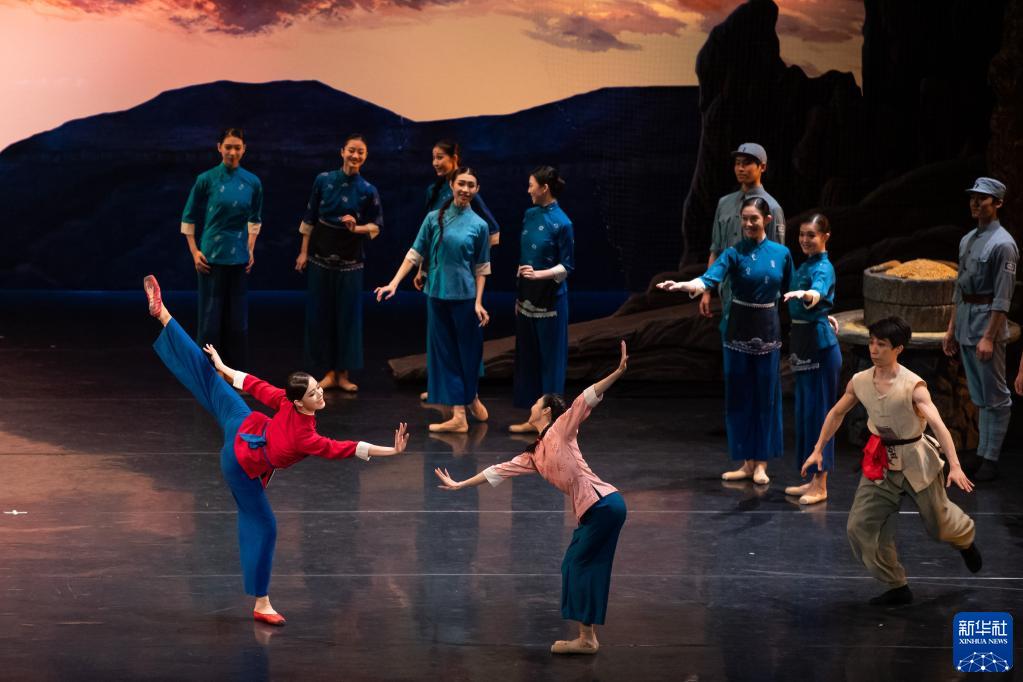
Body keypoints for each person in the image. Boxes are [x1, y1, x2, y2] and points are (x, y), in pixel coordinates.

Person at [142, 274, 409, 626]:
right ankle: (261, 602)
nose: (321, 394)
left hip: (244, 425)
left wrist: (221, 368)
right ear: (299, 402)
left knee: (211, 382)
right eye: (314, 392)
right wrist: (392, 452)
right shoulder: (306, 437)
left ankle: (163, 315)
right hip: (240, 463)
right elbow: (346, 448)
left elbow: (254, 385)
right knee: (264, 526)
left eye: (318, 389)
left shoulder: (286, 401)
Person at [433, 341, 629, 655]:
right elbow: (498, 471)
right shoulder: (534, 455)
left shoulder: (561, 428)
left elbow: (585, 398)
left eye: (537, 403)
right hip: (598, 510)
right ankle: (587, 637)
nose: (532, 405)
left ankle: (586, 639)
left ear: (546, 411)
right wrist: (460, 484)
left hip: (603, 504)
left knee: (579, 565)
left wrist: (617, 373)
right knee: (579, 565)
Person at [805, 316, 981, 605]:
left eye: (882, 345)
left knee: (938, 524)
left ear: (898, 349)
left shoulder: (913, 385)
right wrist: (818, 449)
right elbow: (837, 413)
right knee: (860, 527)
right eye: (872, 343)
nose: (874, 349)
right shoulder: (861, 381)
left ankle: (965, 539)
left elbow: (937, 425)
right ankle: (896, 585)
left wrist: (956, 466)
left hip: (916, 458)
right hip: (881, 460)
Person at [657, 197, 793, 484]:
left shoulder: (781, 254)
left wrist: (818, 316)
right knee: (740, 397)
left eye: (754, 218)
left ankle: (761, 463)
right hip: (737, 330)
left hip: (768, 331)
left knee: (765, 398)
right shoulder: (733, 253)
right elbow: (709, 278)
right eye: (744, 218)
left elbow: (793, 291)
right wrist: (684, 285)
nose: (748, 224)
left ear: (767, 220)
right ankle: (746, 462)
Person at [375, 167, 491, 432]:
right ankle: (459, 415)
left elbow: (482, 267)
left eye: (471, 185)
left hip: (465, 297)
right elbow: (415, 253)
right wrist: (394, 283)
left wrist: (478, 301)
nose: (465, 189)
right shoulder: (433, 218)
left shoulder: (480, 225)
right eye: (461, 183)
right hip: (437, 295)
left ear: (477, 189)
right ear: (452, 185)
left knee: (469, 353)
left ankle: (471, 396)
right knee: (446, 354)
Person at [942, 177, 1018, 482]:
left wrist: (989, 336)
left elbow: (1003, 297)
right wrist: (951, 329)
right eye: (973, 197)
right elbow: (959, 288)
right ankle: (983, 452)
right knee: (980, 394)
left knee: (995, 395)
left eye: (982, 198)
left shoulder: (1004, 244)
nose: (975, 203)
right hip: (967, 320)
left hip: (987, 322)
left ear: (997, 203)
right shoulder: (968, 239)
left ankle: (991, 458)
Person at [295, 133, 383, 393]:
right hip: (320, 256)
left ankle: (342, 374)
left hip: (350, 260)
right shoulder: (323, 180)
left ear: (365, 157)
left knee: (347, 318)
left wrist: (356, 228)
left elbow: (376, 227)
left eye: (361, 152)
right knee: (322, 315)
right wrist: (303, 252)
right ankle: (328, 372)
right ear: (342, 151)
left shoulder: (368, 190)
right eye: (351, 150)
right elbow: (309, 217)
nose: (355, 156)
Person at [415, 140, 501, 403]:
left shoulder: (468, 190)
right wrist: (425, 267)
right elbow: (430, 237)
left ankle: (468, 394)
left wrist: (463, 256)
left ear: (455, 158)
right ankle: (444, 389)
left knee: (464, 340)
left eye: (441, 157)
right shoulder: (435, 190)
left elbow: (492, 232)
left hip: (462, 281)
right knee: (440, 340)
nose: (436, 162)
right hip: (437, 278)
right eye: (433, 157)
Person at [180, 127, 263, 369]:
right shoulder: (206, 179)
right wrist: (194, 251)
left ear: (244, 149)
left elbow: (255, 219)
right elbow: (188, 216)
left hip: (239, 258)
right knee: (210, 318)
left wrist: (250, 248)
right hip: (211, 258)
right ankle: (206, 370)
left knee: (237, 320)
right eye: (228, 147)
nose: (232, 152)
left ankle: (233, 371)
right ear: (219, 148)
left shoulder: (252, 182)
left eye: (237, 147)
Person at [510, 166, 575, 433]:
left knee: (551, 362)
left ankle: (552, 423)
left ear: (544, 188)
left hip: (550, 301)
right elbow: (526, 256)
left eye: (531, 185)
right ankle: (533, 419)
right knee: (528, 359)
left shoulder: (562, 223)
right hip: (527, 297)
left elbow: (567, 267)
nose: (528, 190)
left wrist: (539, 275)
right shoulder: (530, 215)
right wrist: (520, 292)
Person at [782, 214, 840, 505]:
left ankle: (822, 483)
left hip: (820, 349)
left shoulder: (823, 267)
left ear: (825, 237)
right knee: (806, 413)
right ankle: (812, 478)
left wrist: (807, 295)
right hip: (803, 342)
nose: (805, 240)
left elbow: (817, 291)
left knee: (820, 415)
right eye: (802, 235)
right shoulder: (805, 264)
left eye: (811, 235)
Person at [700, 143, 786, 333]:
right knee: (729, 342)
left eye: (747, 163)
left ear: (762, 167)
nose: (740, 168)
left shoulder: (772, 208)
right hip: (728, 293)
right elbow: (716, 249)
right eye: (737, 163)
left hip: (758, 298)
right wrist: (707, 290)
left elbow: (777, 260)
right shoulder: (725, 203)